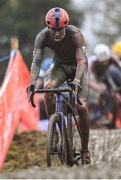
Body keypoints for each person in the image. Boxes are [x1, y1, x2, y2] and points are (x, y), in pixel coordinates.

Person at [27, 7, 90, 165]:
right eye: (53, 29)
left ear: (66, 26)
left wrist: (76, 81)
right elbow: (36, 62)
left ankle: (84, 149)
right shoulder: (42, 36)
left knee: (81, 106)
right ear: (48, 27)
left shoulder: (75, 34)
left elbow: (81, 61)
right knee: (48, 88)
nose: (56, 33)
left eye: (60, 30)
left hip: (78, 67)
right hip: (60, 66)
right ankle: (53, 131)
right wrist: (33, 81)